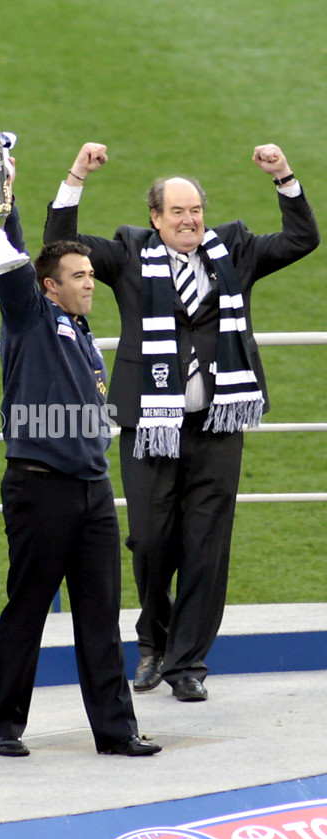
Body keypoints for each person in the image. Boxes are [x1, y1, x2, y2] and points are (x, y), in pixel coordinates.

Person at [44, 143, 319, 702]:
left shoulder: (234, 249)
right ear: (155, 218)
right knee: (148, 540)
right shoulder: (125, 253)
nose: (190, 220)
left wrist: (283, 176)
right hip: (149, 424)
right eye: (177, 212)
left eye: (195, 210)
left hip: (219, 424)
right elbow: (57, 246)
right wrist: (76, 176)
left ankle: (187, 662)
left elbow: (302, 239)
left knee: (206, 545)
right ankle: (154, 639)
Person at [0, 171, 161, 759]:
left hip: (93, 492)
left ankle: (116, 731)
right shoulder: (29, 318)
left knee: (101, 616)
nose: (91, 283)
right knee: (28, 609)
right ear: (49, 287)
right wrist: (4, 199)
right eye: (79, 276)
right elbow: (10, 265)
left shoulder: (82, 331)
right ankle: (3, 726)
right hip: (40, 490)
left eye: (90, 274)